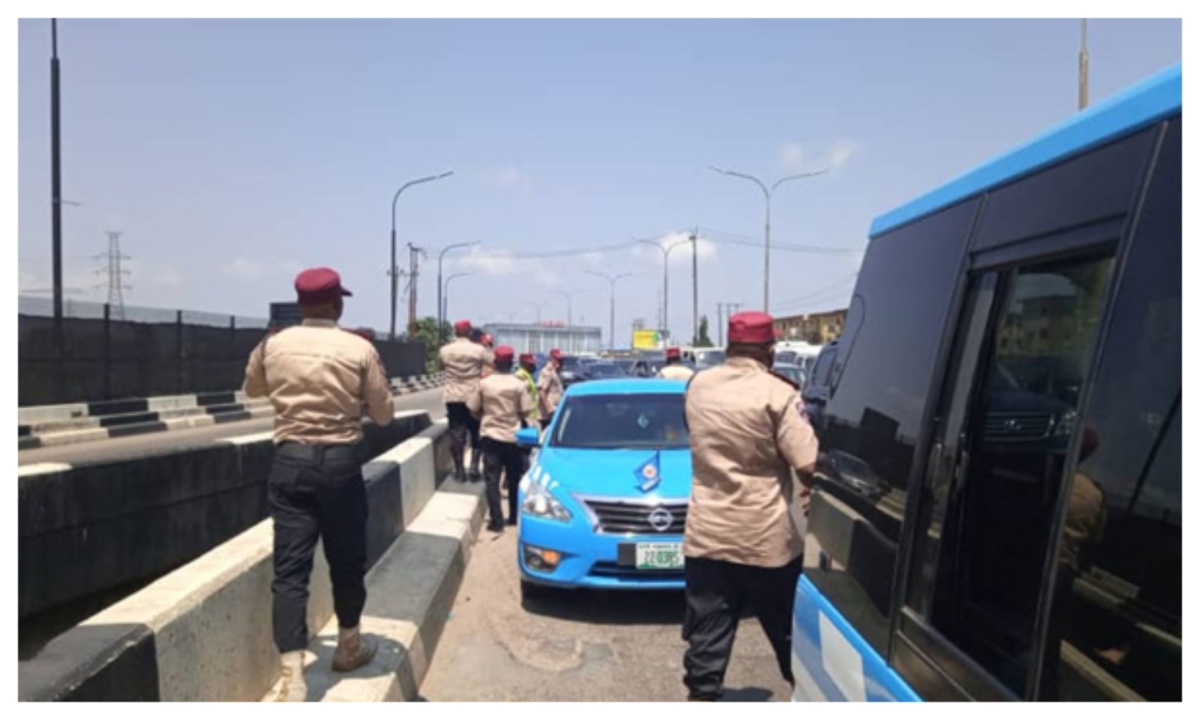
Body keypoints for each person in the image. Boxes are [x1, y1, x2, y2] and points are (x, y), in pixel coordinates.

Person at [243, 267, 395, 702]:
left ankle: (293, 678)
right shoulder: (358, 348)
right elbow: (383, 415)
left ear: (300, 302)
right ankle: (349, 646)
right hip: (341, 463)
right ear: (336, 303)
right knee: (347, 560)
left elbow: (252, 389)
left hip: (290, 462)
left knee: (290, 572)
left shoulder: (273, 344)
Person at [680, 311, 819, 702]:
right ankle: (806, 695)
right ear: (769, 351)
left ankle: (703, 697)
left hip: (707, 533)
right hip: (764, 538)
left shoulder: (699, 385)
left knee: (707, 628)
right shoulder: (779, 393)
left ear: (728, 347)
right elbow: (807, 464)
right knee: (786, 630)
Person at [467, 345, 533, 532]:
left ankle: (496, 520)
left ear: (495, 362)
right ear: (511, 362)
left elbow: (473, 408)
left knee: (492, 480)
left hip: (490, 436)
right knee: (514, 479)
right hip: (512, 437)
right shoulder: (519, 384)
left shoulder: (484, 383)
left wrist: (485, 417)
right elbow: (525, 410)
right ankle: (513, 516)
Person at [439, 320, 493, 481]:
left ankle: (460, 470)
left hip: (453, 396)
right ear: (469, 332)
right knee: (476, 431)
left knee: (457, 434)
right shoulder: (479, 350)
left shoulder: (445, 350)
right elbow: (493, 362)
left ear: (455, 332)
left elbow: (440, 367)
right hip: (474, 395)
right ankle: (475, 466)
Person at [514, 352, 541, 470]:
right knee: (523, 451)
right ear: (523, 364)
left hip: (531, 418)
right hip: (524, 419)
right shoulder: (521, 376)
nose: (534, 366)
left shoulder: (528, 375)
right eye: (530, 364)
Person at [537, 348, 565, 430]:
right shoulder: (547, 372)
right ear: (552, 359)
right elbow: (541, 390)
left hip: (555, 411)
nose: (560, 362)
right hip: (547, 415)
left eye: (561, 360)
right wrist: (549, 408)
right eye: (558, 360)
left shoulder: (556, 371)